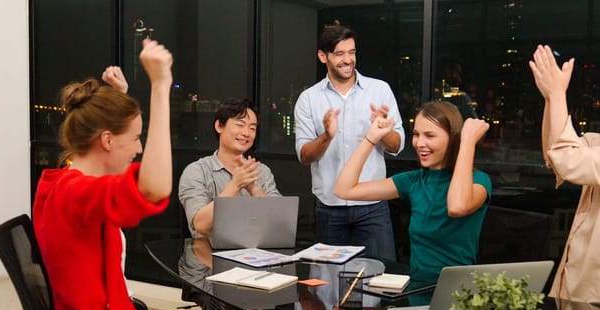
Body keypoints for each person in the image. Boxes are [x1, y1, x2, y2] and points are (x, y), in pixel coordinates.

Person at [32, 39, 260, 310]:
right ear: (108, 140)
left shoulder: (61, 182)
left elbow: (109, 164)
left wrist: (118, 99)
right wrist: (160, 85)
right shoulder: (76, 192)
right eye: (136, 138)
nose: (139, 148)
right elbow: (154, 188)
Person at [334, 101, 491, 284]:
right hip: (416, 291)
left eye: (430, 135)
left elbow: (457, 206)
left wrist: (467, 143)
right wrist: (371, 138)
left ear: (453, 138)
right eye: (416, 134)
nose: (419, 143)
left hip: (457, 294)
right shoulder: (413, 181)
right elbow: (344, 190)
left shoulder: (478, 181)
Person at [294, 25, 405, 260]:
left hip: (373, 206)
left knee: (381, 277)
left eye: (352, 52)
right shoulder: (308, 99)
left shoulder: (379, 90)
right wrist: (326, 136)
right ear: (323, 56)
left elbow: (396, 145)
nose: (348, 60)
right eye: (340, 54)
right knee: (326, 284)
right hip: (329, 207)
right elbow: (304, 156)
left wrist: (383, 130)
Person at [529, 44, 600, 303]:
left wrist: (558, 94)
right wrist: (551, 98)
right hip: (577, 287)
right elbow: (555, 153)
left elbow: (569, 158)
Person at [178, 98, 280, 238]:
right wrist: (236, 185)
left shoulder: (262, 171)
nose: (246, 133)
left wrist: (253, 188)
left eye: (252, 128)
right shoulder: (197, 171)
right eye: (240, 125)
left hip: (257, 253)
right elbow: (200, 225)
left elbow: (279, 223)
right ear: (219, 126)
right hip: (209, 255)